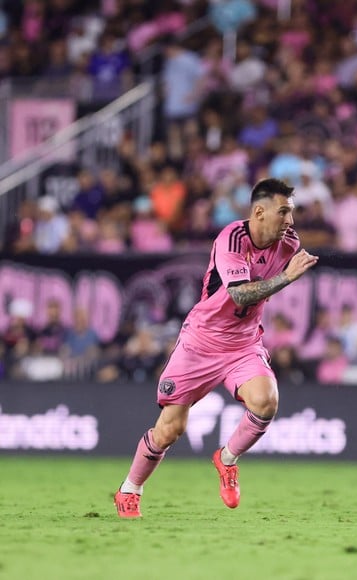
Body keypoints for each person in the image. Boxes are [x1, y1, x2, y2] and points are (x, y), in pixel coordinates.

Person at [114, 178, 319, 518]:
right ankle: (129, 490)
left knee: (266, 401)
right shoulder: (232, 239)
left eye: (291, 213)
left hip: (243, 343)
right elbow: (239, 293)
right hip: (201, 342)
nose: (290, 221)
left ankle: (226, 459)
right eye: (283, 212)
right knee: (170, 429)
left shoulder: (289, 243)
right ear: (259, 211)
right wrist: (286, 278)